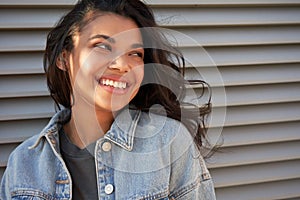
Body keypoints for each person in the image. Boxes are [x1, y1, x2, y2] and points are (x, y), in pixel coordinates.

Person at [0, 0, 216, 199]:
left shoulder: (170, 143)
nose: (122, 65)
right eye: (102, 46)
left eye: (135, 54)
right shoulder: (23, 164)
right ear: (64, 58)